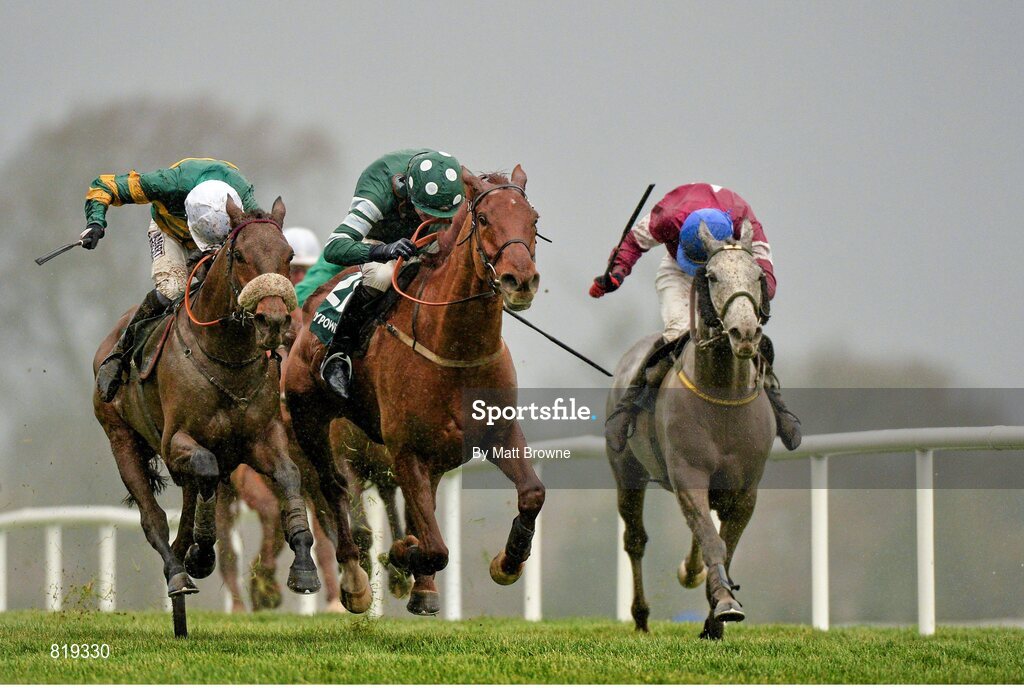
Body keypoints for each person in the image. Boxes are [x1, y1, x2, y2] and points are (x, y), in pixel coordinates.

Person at [590, 182, 801, 449]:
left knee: (745, 327)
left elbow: (765, 269)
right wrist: (616, 274)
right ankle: (627, 407)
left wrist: (753, 299)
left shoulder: (742, 217)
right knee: (678, 332)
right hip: (678, 270)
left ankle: (777, 405)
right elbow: (633, 242)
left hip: (729, 267)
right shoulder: (667, 215)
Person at [82, 158, 259, 402]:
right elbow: (103, 185)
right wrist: (95, 222)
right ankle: (119, 354)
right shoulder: (166, 183)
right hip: (170, 232)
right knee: (173, 289)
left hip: (222, 243)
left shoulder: (244, 195)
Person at [294, 148, 466, 399]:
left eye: (442, 214)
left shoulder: (451, 186)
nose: (434, 219)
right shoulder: (377, 188)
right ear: (410, 194)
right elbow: (334, 248)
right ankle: (338, 355)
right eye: (428, 213)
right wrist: (384, 250)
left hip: (429, 240)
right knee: (381, 277)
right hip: (380, 240)